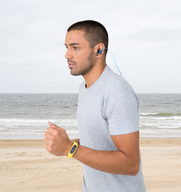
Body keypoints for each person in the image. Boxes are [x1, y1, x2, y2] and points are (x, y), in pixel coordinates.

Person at [44, 20, 146, 192]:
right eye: (66, 47)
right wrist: (67, 143)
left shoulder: (117, 91)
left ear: (99, 50)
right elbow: (102, 139)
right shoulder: (84, 88)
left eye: (75, 47)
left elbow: (131, 164)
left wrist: (71, 149)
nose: (67, 55)